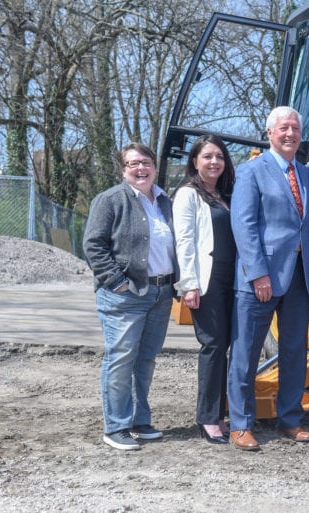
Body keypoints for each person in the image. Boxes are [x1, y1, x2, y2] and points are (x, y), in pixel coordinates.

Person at [227, 106, 309, 451]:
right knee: (246, 353)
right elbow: (244, 226)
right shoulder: (252, 171)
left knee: (294, 351)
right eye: (284, 128)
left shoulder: (306, 174)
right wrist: (258, 273)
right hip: (259, 280)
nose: (290, 133)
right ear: (269, 133)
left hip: (298, 277)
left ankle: (290, 419)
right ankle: (241, 424)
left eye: (295, 127)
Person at [83, 142, 178, 451]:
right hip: (126, 295)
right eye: (133, 164)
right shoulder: (110, 200)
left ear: (154, 166)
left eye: (146, 162)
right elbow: (93, 245)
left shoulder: (165, 201)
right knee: (121, 358)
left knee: (145, 359)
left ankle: (139, 419)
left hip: (161, 293)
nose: (141, 168)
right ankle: (116, 426)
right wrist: (116, 281)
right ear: (123, 170)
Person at [173, 134, 236, 444]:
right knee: (212, 346)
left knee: (227, 346)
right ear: (195, 161)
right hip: (207, 281)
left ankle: (223, 413)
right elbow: (183, 241)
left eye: (220, 157)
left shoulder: (227, 194)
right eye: (208, 156)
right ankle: (208, 418)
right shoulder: (188, 195)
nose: (214, 162)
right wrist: (189, 285)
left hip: (233, 280)